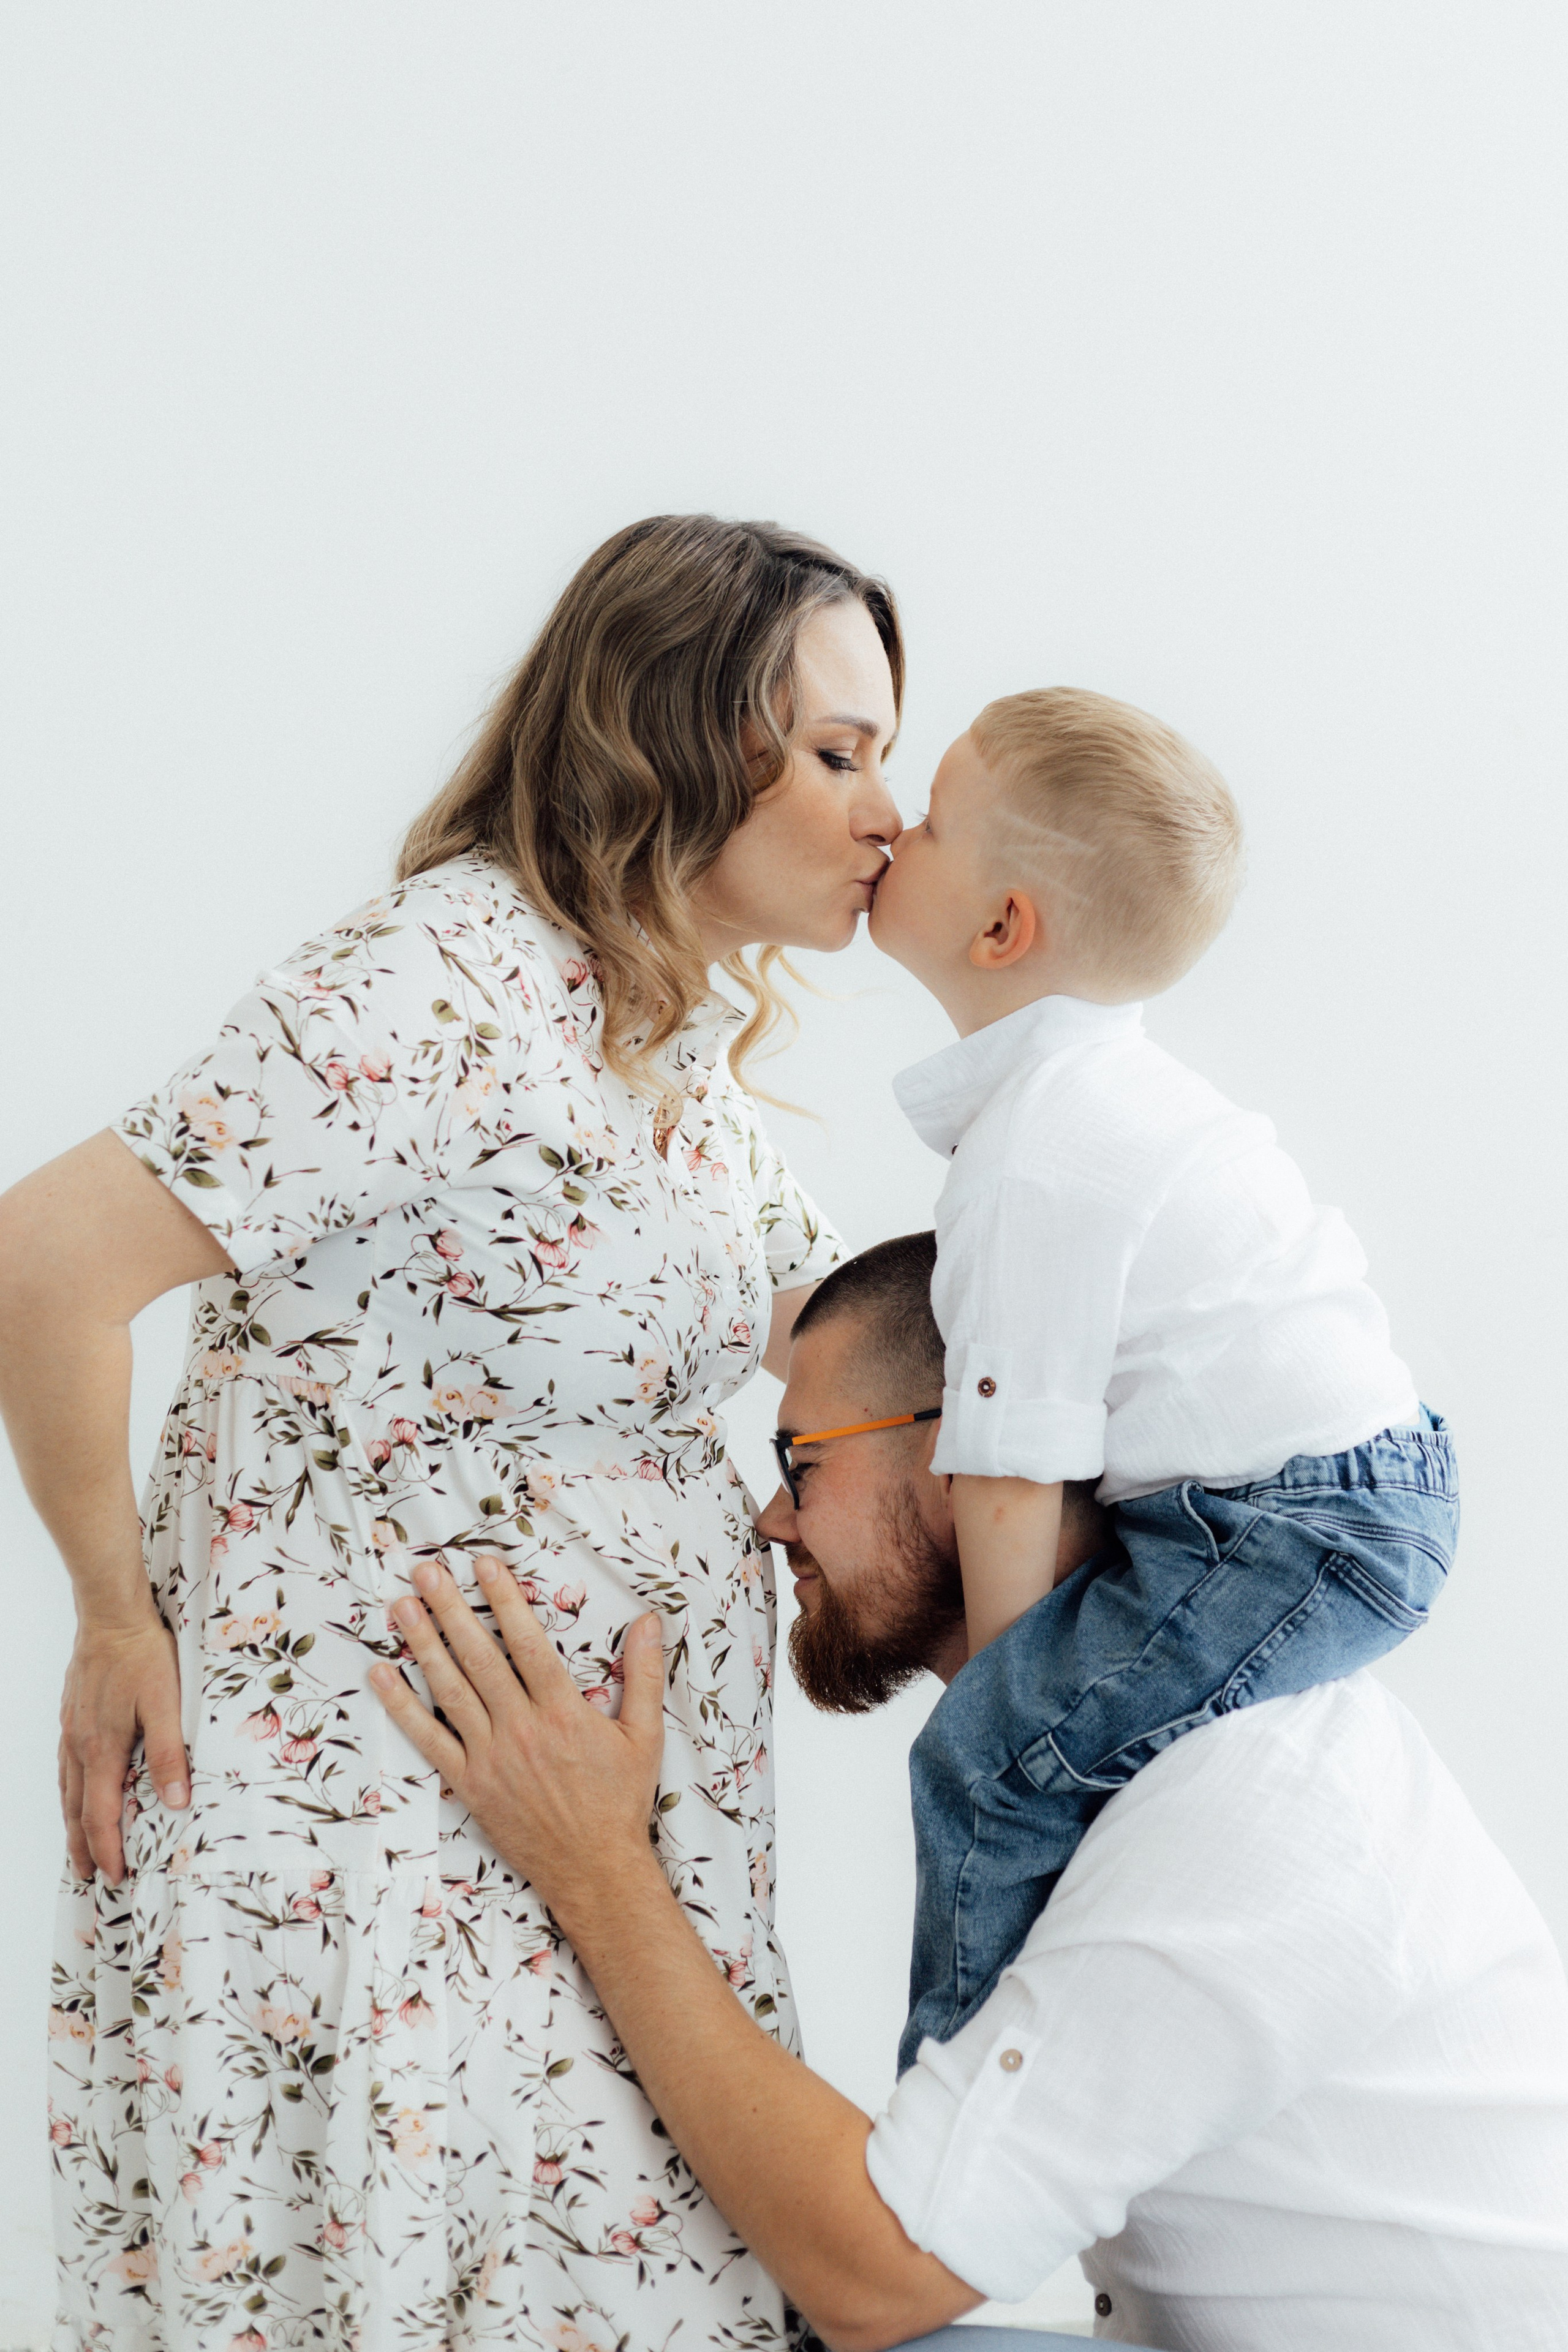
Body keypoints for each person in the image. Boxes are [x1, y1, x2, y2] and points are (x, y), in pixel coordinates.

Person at [0, 514, 905, 2350]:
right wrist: (110, 1613)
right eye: (838, 754)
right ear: (677, 736)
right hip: (378, 1849)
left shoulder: (651, 1025)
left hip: (561, 1858)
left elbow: (844, 1337)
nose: (888, 812)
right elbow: (45, 1258)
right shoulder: (444, 982)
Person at [369, 1234, 1568, 2352]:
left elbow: (878, 2273)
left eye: (801, 1462)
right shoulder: (1105, 1766)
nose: (770, 1520)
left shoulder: (1243, 1798)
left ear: (969, 1455)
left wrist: (595, 1865)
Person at [865, 690, 1458, 2068]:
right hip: (1344, 1482)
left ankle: (948, 2111)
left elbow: (1012, 1471)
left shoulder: (1039, 1147)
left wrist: (999, 1694)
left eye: (932, 819)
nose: (893, 824)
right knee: (1030, 1742)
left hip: (1299, 1518)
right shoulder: (1090, 1097)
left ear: (1002, 929)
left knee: (987, 1763)